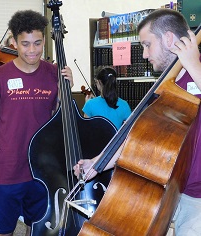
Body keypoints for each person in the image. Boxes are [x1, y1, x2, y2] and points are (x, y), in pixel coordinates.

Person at [74, 8, 201, 235]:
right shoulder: (166, 87)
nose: (143, 54)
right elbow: (138, 136)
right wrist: (98, 163)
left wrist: (194, 65)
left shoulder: (197, 72)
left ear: (168, 39)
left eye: (146, 44)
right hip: (171, 192)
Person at [0, 9, 73, 236]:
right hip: (7, 169)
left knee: (37, 229)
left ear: (45, 40)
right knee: (3, 231)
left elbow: (61, 119)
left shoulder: (55, 73)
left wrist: (67, 89)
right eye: (25, 44)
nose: (32, 50)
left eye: (37, 43)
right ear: (13, 42)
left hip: (43, 170)